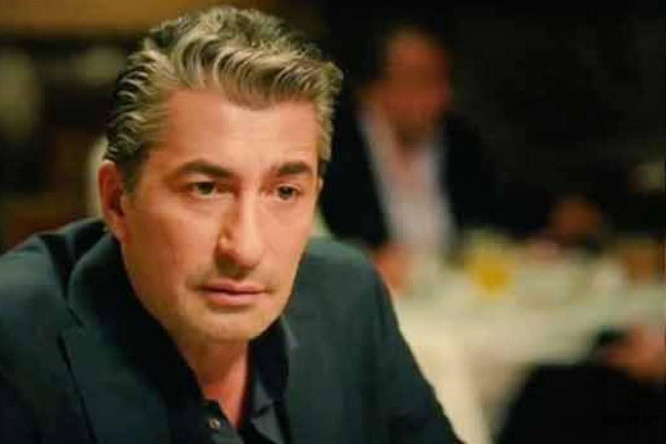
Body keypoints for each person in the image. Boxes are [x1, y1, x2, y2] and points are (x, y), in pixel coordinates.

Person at [0, 6, 461, 444]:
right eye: (205, 189)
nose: (245, 248)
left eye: (285, 192)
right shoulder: (15, 339)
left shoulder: (348, 300)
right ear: (117, 202)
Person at [318, 20, 498, 291]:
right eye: (419, 80)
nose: (438, 96)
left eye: (441, 80)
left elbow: (490, 226)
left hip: (456, 295)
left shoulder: (459, 140)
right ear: (375, 88)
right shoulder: (334, 149)